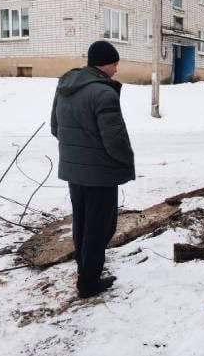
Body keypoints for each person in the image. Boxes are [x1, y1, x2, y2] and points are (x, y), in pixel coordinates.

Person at [51, 40, 135, 299]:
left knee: (83, 222)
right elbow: (115, 139)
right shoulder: (103, 93)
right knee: (100, 228)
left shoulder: (65, 86)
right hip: (100, 173)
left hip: (74, 171)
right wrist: (125, 162)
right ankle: (88, 283)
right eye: (115, 64)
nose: (117, 69)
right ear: (105, 64)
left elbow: (55, 127)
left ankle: (84, 269)